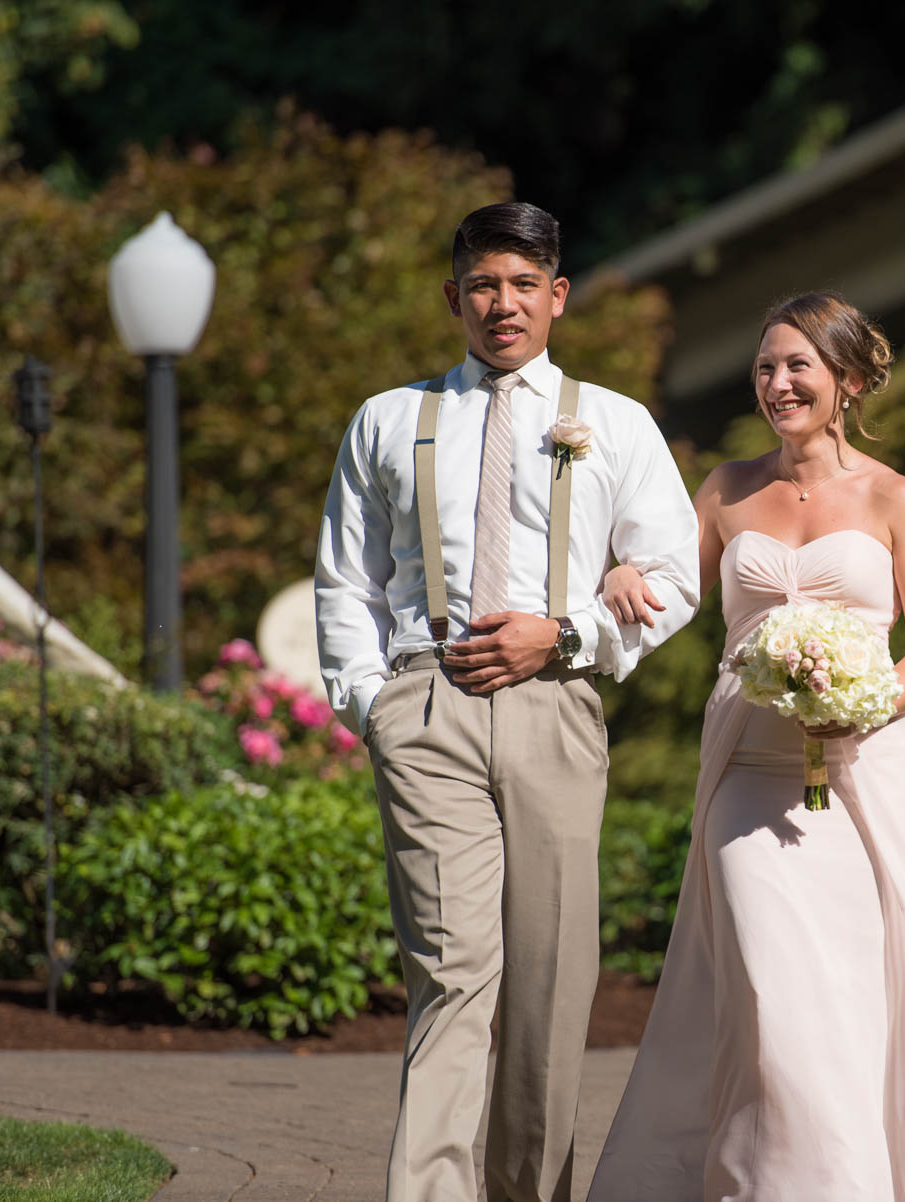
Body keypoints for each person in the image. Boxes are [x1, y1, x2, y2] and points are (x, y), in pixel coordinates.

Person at [589, 291, 905, 1201]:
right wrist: (620, 570)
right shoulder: (724, 489)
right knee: (771, 996)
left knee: (848, 1002)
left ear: (848, 382)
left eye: (797, 367)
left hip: (864, 775)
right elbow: (667, 596)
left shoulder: (896, 497)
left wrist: (866, 705)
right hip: (748, 771)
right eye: (766, 367)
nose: (776, 383)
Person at [313, 202, 701, 1202]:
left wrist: (567, 632)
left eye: (524, 285)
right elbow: (345, 579)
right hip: (427, 709)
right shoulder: (387, 420)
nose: (503, 303)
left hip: (558, 707)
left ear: (557, 297)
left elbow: (675, 574)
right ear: (454, 297)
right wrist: (376, 707)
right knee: (452, 971)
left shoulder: (614, 421)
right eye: (484, 284)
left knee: (551, 981)